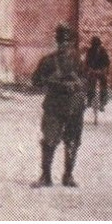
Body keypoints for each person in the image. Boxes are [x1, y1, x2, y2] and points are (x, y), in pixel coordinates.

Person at [32, 23, 87, 187]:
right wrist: (54, 83)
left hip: (75, 106)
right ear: (57, 42)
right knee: (49, 140)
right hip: (53, 107)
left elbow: (87, 81)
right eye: (61, 41)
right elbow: (35, 81)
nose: (64, 45)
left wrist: (77, 84)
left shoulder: (79, 61)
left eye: (68, 42)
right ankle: (45, 176)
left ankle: (68, 176)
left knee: (72, 141)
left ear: (72, 43)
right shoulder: (48, 61)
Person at [84, 36, 111, 115]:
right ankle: (89, 99)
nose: (96, 46)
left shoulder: (103, 51)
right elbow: (87, 61)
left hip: (101, 70)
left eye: (97, 45)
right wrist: (88, 69)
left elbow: (107, 62)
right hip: (93, 70)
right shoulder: (90, 51)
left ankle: (103, 102)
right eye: (94, 45)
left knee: (104, 84)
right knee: (91, 83)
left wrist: (104, 70)